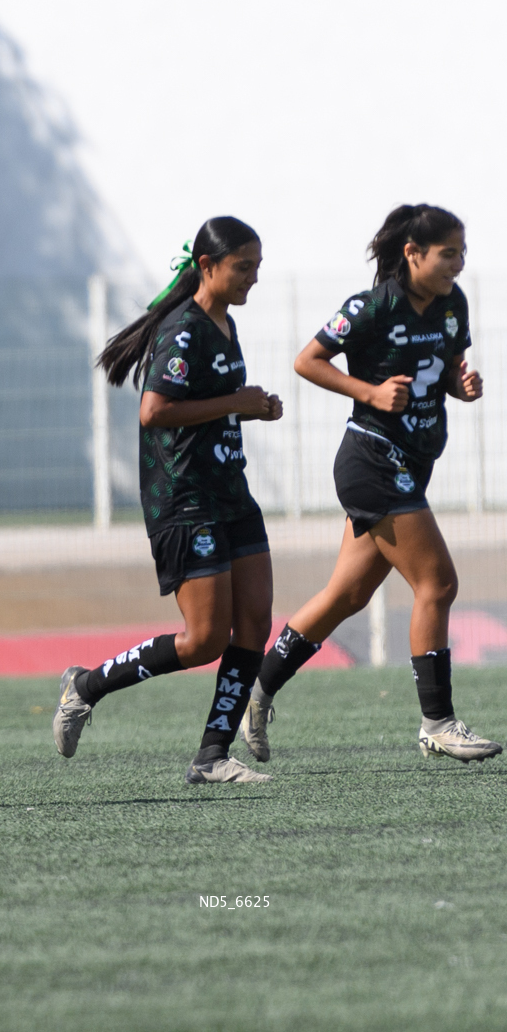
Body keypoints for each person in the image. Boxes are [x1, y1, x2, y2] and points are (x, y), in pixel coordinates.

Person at [242, 204, 498, 763]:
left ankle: (253, 693)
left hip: (411, 464)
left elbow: (448, 369)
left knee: (347, 595)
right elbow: (307, 361)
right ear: (413, 254)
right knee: (439, 584)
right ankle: (437, 722)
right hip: (374, 463)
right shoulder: (371, 307)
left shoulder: (453, 303)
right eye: (448, 252)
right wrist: (370, 392)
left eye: (461, 251)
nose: (458, 262)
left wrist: (464, 383)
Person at [52, 217, 283, 784]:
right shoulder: (184, 330)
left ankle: (211, 757)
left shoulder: (223, 324)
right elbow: (153, 411)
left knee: (254, 620)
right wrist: (237, 401)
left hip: (231, 494)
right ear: (208, 267)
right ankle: (86, 686)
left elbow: (214, 404)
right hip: (184, 499)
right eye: (243, 267)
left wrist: (251, 407)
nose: (253, 278)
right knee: (204, 640)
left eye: (258, 266)